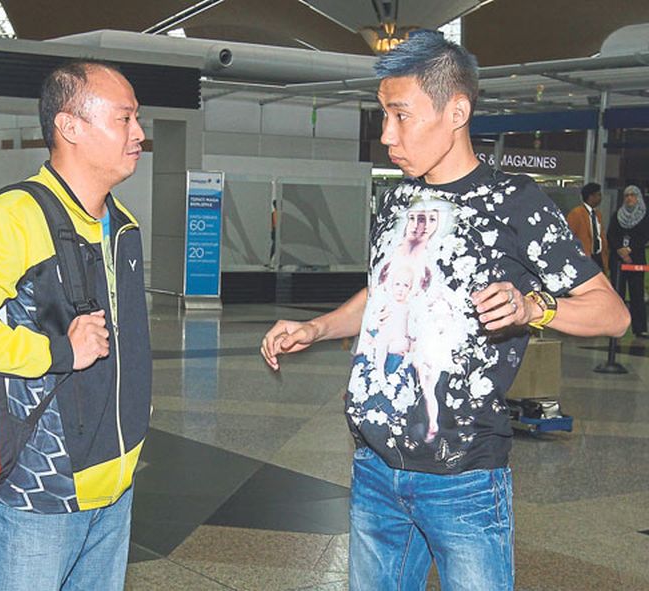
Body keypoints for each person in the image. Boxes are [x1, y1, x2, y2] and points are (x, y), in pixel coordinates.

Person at [261, 31, 629, 591]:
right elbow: (381, 294)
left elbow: (611, 313)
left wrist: (532, 306)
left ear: (456, 111)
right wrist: (316, 328)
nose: (387, 135)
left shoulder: (516, 204)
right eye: (383, 115)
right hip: (375, 468)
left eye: (401, 116)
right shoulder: (396, 203)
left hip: (464, 478)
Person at [0, 61, 151, 591]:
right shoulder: (11, 218)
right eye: (124, 119)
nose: (140, 134)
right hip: (32, 494)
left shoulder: (123, 225)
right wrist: (57, 353)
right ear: (70, 127)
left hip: (113, 487)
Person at [607, 185, 649, 337]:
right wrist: (620, 250)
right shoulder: (617, 215)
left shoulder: (645, 216)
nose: (629, 198)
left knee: (637, 294)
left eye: (632, 195)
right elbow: (611, 235)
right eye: (627, 195)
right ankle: (614, 326)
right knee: (617, 294)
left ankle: (640, 328)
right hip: (618, 260)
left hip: (636, 259)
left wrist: (629, 249)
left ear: (638, 197)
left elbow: (644, 236)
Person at [566, 182, 609, 273]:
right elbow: (569, 237)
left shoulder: (598, 214)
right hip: (584, 258)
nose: (601, 198)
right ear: (591, 196)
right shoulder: (576, 214)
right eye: (598, 195)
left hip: (598, 257)